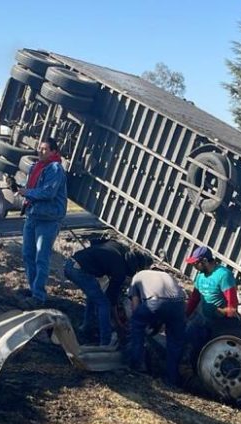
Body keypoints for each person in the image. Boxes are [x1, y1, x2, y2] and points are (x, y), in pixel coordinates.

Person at [63, 238, 151, 346]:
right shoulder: (120, 271)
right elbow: (111, 298)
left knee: (94, 295)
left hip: (72, 262)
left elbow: (96, 241)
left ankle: (87, 326)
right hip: (78, 271)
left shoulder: (120, 247)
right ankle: (105, 341)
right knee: (103, 304)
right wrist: (118, 323)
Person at [19, 137, 67, 306]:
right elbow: (31, 189)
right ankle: (33, 289)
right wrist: (19, 188)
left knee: (41, 257)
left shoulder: (55, 168)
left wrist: (27, 193)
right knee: (27, 254)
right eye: (40, 148)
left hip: (48, 220)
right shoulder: (35, 167)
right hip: (32, 216)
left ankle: (38, 296)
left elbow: (48, 193)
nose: (40, 151)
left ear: (54, 152)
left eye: (45, 149)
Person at [127, 265, 187, 386]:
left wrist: (138, 321)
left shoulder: (137, 276)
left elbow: (135, 305)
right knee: (175, 343)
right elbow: (168, 308)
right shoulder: (167, 275)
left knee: (136, 324)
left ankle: (137, 365)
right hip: (179, 303)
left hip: (156, 301)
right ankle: (172, 379)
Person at [183, 245, 240, 357]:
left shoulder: (223, 275)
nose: (194, 267)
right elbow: (195, 298)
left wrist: (223, 312)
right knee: (185, 337)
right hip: (202, 318)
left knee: (209, 351)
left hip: (219, 322)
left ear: (204, 261)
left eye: (195, 264)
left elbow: (232, 305)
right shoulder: (200, 276)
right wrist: (185, 315)